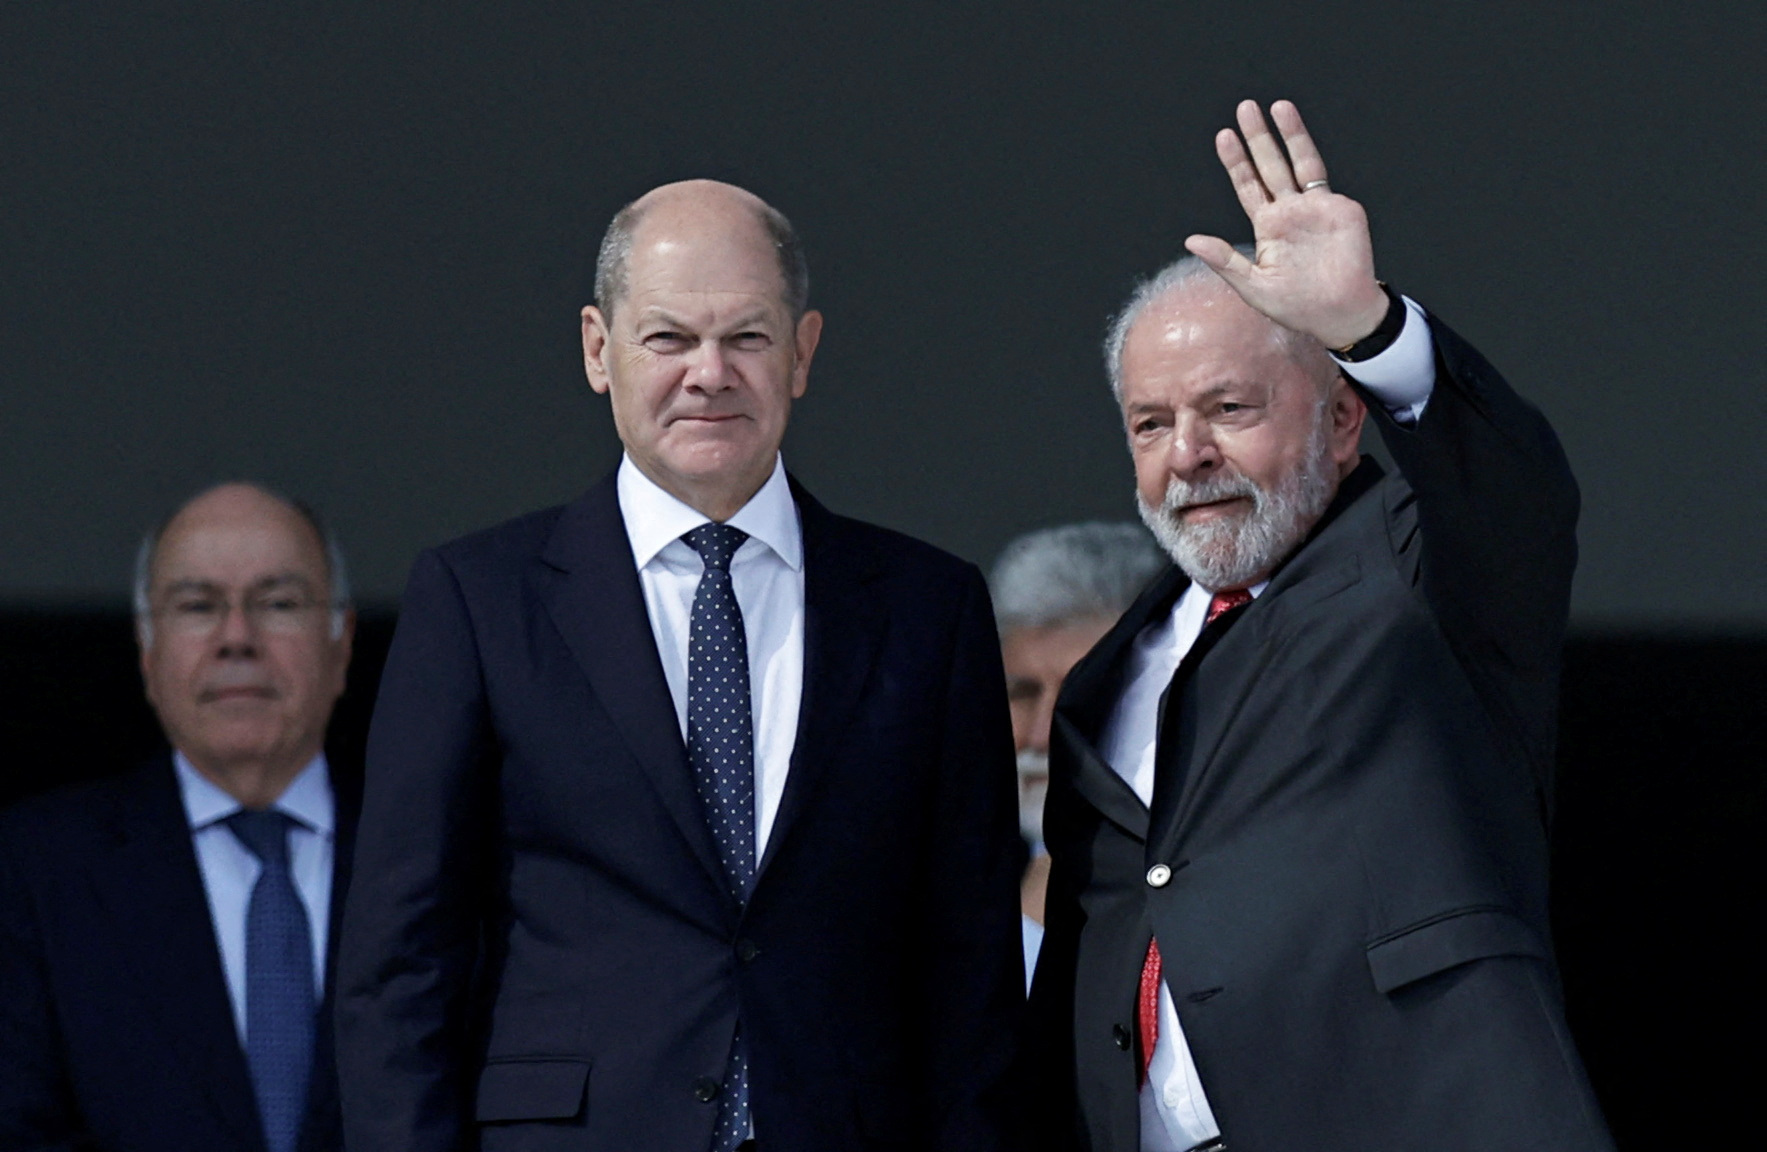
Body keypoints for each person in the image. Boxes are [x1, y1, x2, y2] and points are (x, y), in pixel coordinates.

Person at [335, 180, 1023, 1152]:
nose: (710, 374)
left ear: (804, 351)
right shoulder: (480, 602)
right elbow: (399, 966)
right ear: (595, 349)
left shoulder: (925, 609)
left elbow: (970, 973)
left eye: (746, 337)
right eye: (668, 339)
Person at [1025, 100, 1613, 1151]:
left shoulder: (1417, 572)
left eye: (1230, 410)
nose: (1188, 453)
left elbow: (1517, 499)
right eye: (1152, 424)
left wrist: (1371, 331)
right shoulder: (1103, 681)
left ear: (1345, 420)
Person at [0, 482, 359, 1152]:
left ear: (340, 643)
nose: (236, 638)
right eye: (197, 605)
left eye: (278, 602)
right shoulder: (34, 870)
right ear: (147, 650)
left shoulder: (447, 851)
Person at [989, 522, 1166, 987]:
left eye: (1080, 693)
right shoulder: (939, 878)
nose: (1044, 735)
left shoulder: (1211, 885)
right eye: (1021, 692)